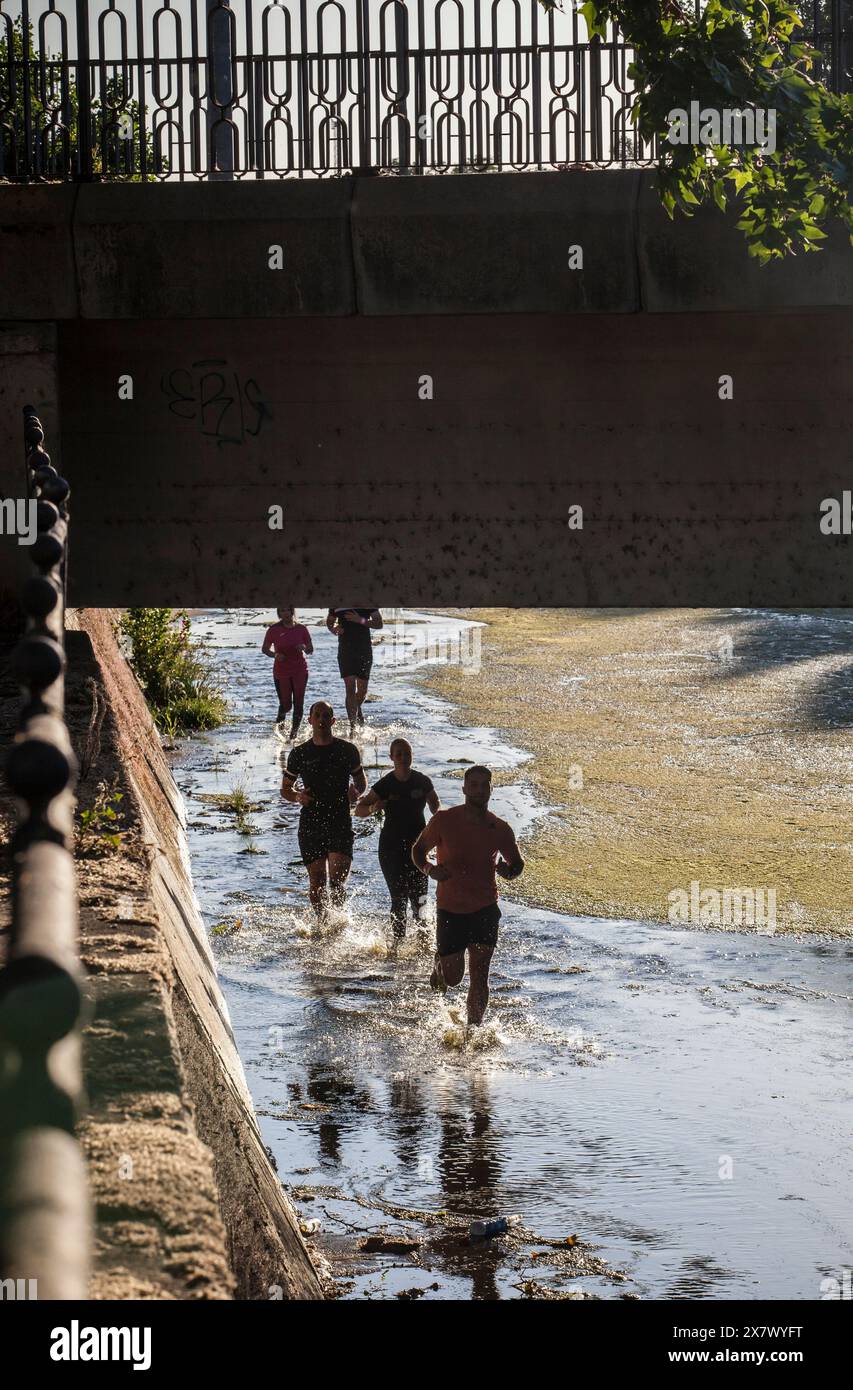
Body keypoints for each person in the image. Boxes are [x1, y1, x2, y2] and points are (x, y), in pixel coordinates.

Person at [412, 766, 524, 1029]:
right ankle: (440, 962)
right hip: (450, 909)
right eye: (473, 785)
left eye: (484, 785)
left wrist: (509, 872)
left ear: (490, 790)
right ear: (464, 790)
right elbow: (418, 850)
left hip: (485, 908)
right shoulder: (444, 820)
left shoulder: (500, 829)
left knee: (479, 974)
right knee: (453, 979)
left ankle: (472, 1031)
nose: (479, 790)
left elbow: (517, 864)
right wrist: (430, 869)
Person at [280, 701, 366, 921]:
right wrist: (298, 796)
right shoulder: (299, 754)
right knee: (317, 882)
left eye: (326, 715)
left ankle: (338, 925)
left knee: (337, 882)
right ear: (309, 720)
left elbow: (361, 782)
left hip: (340, 821)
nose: (321, 720)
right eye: (317, 715)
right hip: (311, 823)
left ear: (333, 721)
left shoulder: (348, 750)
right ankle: (322, 924)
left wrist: (355, 791)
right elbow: (285, 790)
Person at [354, 738, 441, 938]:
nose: (403, 757)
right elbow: (359, 810)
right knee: (398, 899)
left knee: (420, 901)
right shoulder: (386, 783)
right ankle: (396, 947)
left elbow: (436, 809)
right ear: (391, 757)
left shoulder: (422, 781)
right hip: (390, 848)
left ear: (412, 757)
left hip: (418, 848)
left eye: (407, 753)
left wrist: (442, 832)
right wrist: (374, 807)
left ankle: (423, 944)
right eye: (399, 754)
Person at [326, 608, 383, 731]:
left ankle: (357, 708)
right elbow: (330, 622)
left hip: (364, 650)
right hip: (345, 651)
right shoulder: (337, 602)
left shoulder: (367, 601)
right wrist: (333, 629)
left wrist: (360, 620)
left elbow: (379, 624)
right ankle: (353, 727)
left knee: (362, 691)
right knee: (350, 688)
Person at [262, 606, 313, 740]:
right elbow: (265, 649)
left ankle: (293, 735)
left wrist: (304, 647)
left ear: (292, 612)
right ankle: (280, 727)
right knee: (286, 705)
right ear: (279, 613)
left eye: (287, 610)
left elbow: (310, 649)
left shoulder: (301, 629)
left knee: (299, 703)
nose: (285, 613)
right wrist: (275, 655)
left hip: (300, 670)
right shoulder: (273, 630)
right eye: (282, 611)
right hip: (281, 671)